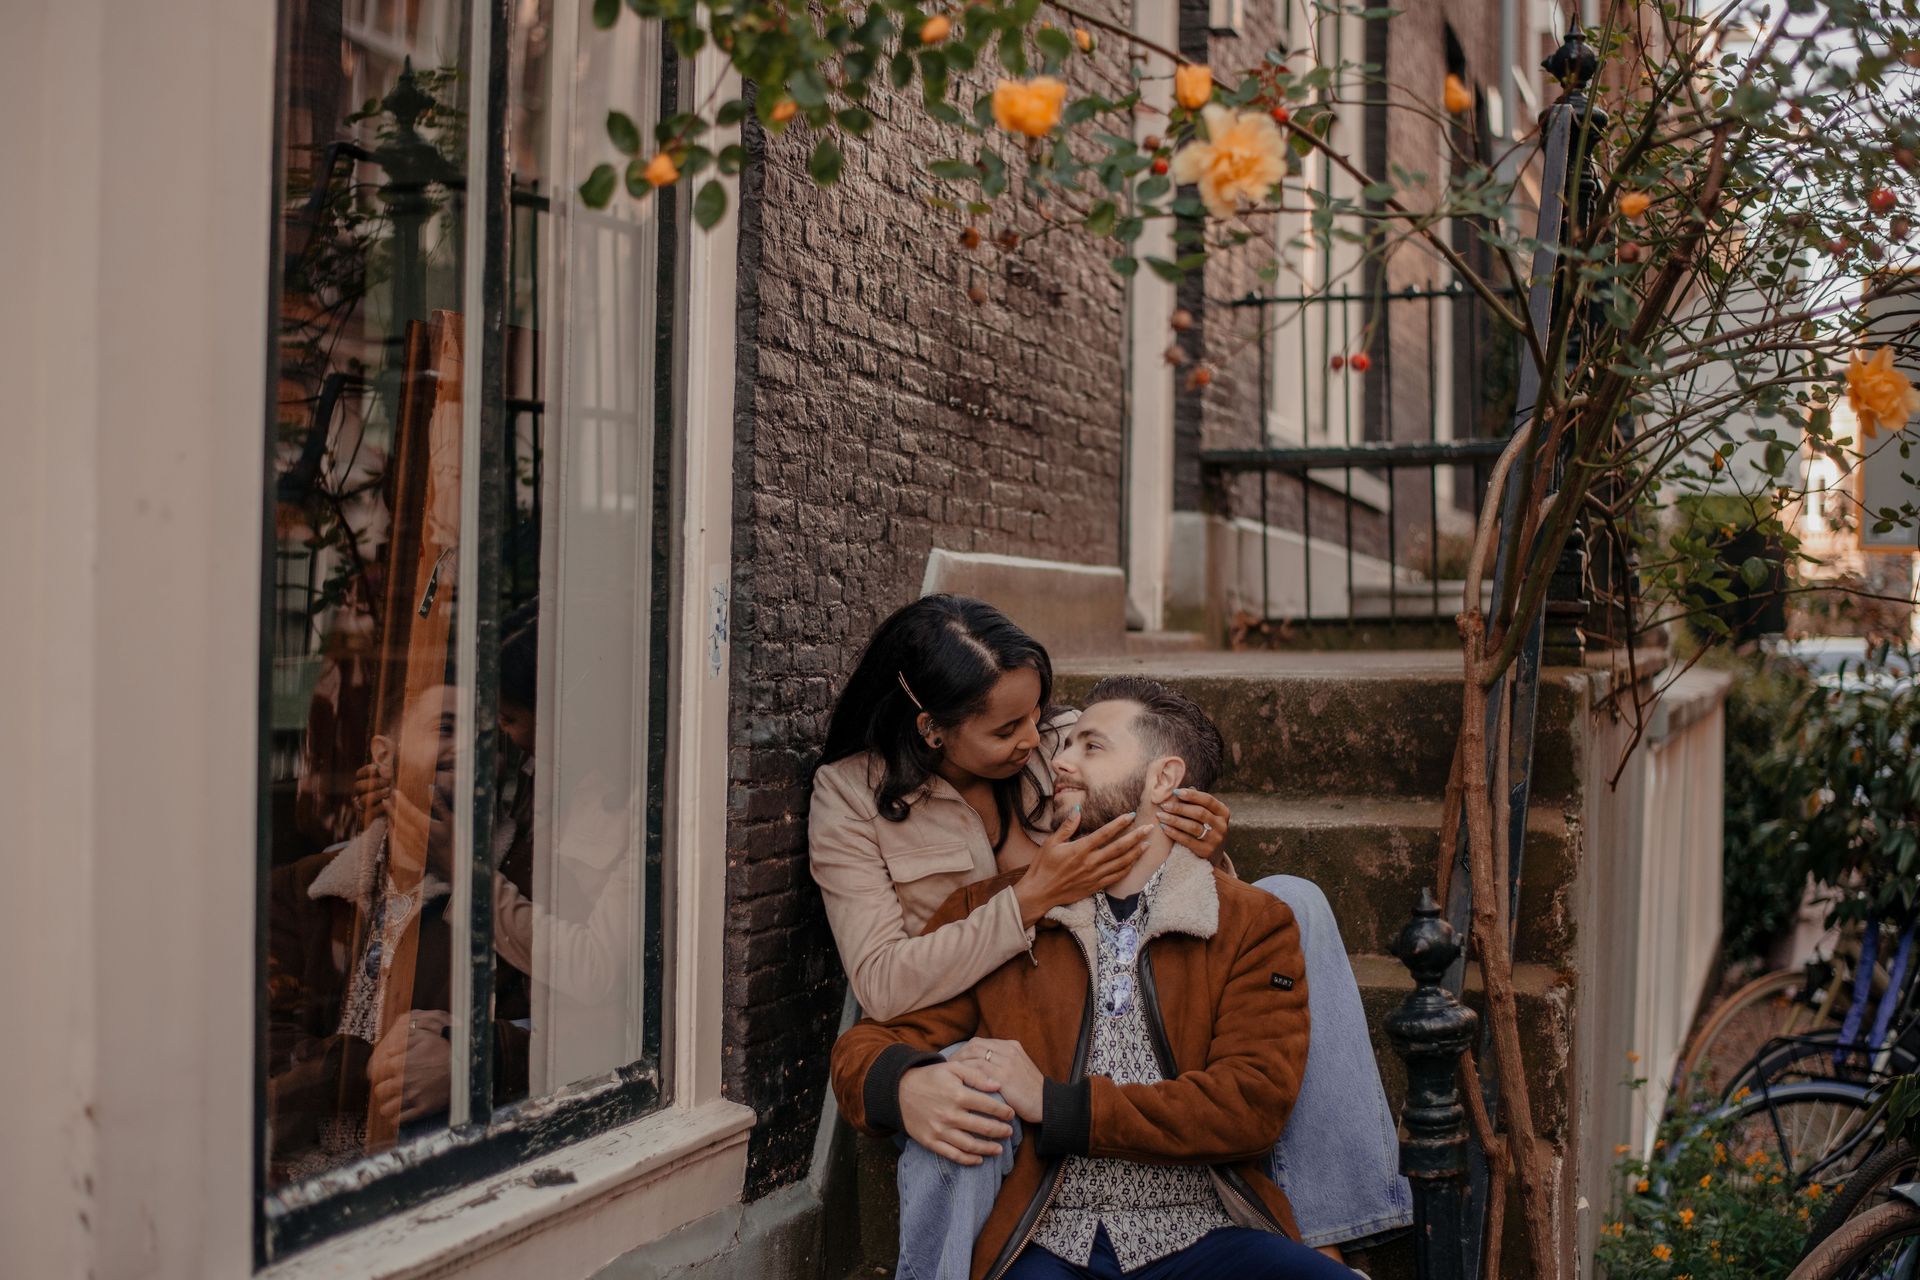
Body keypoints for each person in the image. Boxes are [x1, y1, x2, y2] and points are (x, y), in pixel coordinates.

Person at [831, 678, 1357, 1280]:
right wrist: (900, 1085)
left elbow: (1249, 1103)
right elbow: (863, 1047)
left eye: (1091, 746)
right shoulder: (997, 914)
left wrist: (1057, 1107)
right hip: (1046, 1238)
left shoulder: (1249, 923)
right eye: (1066, 745)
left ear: (1164, 778)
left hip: (1206, 1232)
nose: (1058, 760)